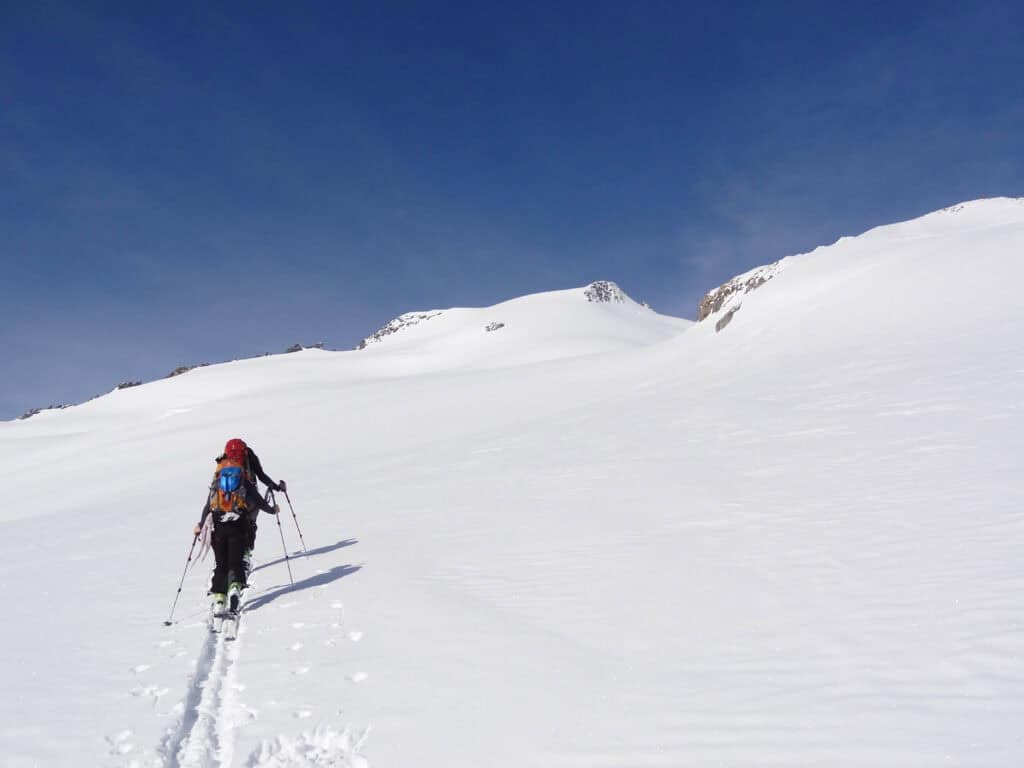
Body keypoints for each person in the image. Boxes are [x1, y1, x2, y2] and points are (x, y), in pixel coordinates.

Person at [195, 449, 281, 613]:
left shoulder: (217, 480)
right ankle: (235, 587)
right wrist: (272, 510)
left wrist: (200, 524)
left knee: (221, 564)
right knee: (235, 561)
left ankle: (219, 600)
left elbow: (208, 506)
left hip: (219, 527)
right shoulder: (243, 479)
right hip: (239, 525)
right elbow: (259, 501)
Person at [215, 438, 286, 575]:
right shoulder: (249, 455)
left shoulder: (224, 460)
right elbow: (261, 475)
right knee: (250, 524)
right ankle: (246, 556)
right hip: (250, 496)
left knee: (233, 527)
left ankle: (226, 562)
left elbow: (216, 481)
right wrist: (276, 488)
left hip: (227, 500)